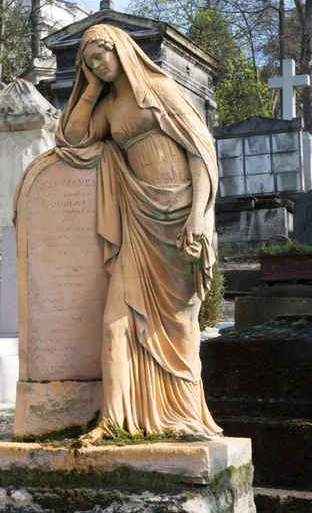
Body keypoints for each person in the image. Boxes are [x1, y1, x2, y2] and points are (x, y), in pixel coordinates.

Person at [55, 24, 222, 441]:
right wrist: (90, 89)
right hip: (140, 221)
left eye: (102, 57)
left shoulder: (159, 89)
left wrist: (198, 214)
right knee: (115, 323)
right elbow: (74, 137)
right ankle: (113, 422)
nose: (98, 65)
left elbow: (199, 152)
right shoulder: (109, 106)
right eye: (90, 63)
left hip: (181, 215)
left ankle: (185, 418)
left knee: (181, 327)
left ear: (121, 50)